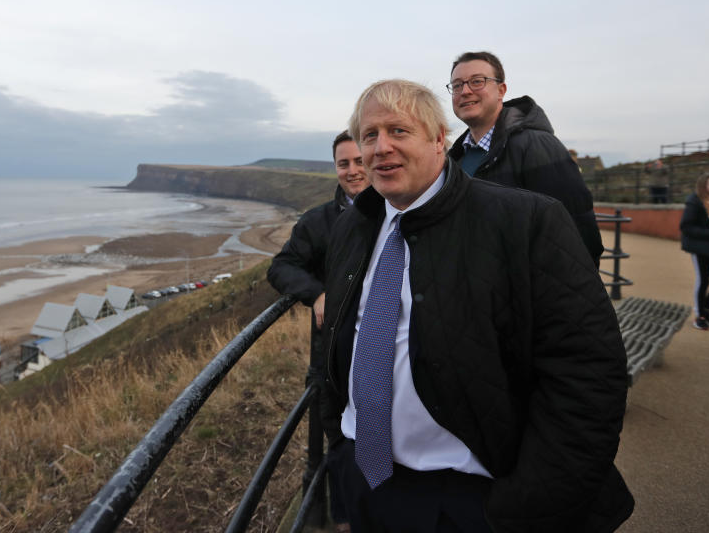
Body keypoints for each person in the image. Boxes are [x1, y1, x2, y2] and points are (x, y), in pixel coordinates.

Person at [322, 79, 633, 532]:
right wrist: (340, 450)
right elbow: (342, 340)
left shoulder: (525, 221)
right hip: (366, 480)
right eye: (369, 135)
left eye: (399, 131)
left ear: (438, 140)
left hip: (469, 499)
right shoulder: (356, 226)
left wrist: (522, 508)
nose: (380, 147)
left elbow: (587, 374)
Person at [268, 130, 367, 532]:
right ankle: (344, 521)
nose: (353, 170)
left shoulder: (400, 211)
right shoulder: (318, 222)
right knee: (340, 442)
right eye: (344, 163)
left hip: (388, 350)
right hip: (333, 358)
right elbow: (281, 266)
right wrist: (317, 293)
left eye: (360, 161)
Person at [446, 51, 604, 266]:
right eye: (456, 85)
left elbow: (577, 234)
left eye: (477, 81)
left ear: (501, 90)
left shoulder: (538, 146)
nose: (465, 91)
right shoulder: (454, 158)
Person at [680, 172, 709, 330]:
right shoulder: (694, 201)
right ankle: (699, 315)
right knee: (704, 280)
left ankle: (706, 307)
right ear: (703, 186)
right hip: (699, 247)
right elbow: (686, 227)